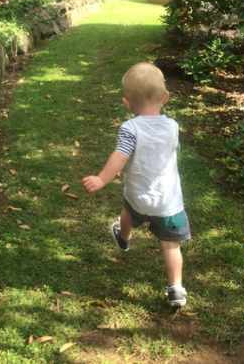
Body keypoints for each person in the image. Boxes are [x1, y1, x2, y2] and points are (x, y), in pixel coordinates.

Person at [82, 62, 191, 307]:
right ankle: (175, 289)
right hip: (168, 202)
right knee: (171, 246)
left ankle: (124, 239)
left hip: (139, 197)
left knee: (127, 212)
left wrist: (101, 178)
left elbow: (120, 155)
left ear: (128, 103)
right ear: (165, 97)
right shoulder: (172, 126)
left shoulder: (130, 128)